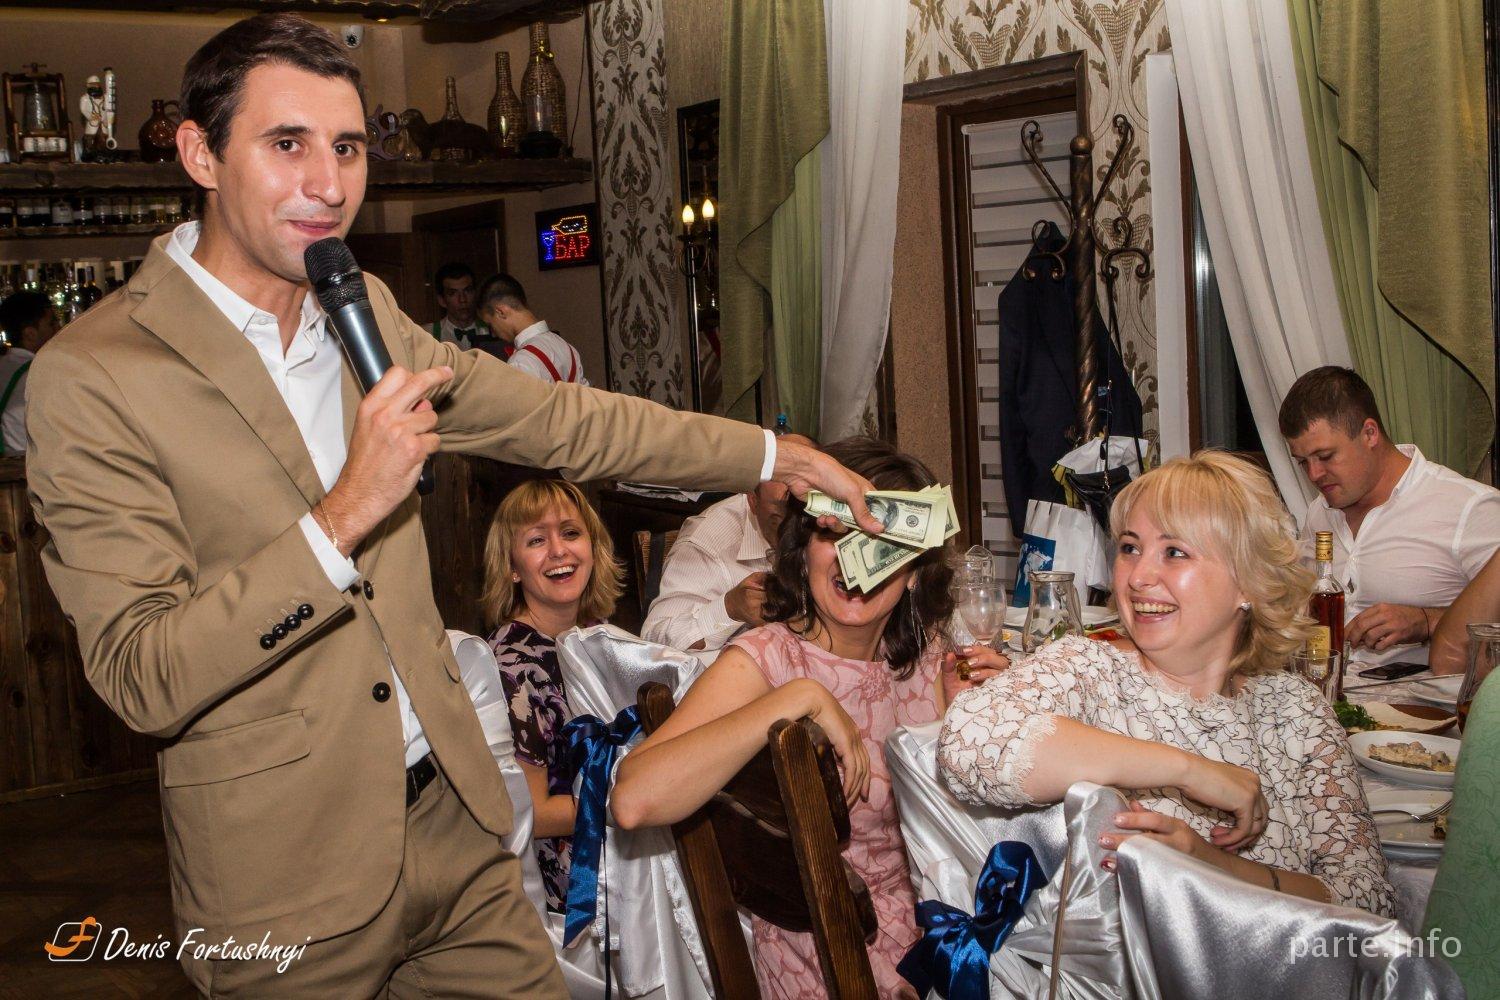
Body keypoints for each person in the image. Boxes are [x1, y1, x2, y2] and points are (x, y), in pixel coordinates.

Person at [23, 14, 881, 995]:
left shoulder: (363, 314)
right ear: (199, 153)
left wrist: (774, 452)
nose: (329, 183)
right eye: (287, 143)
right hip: (286, 875)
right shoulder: (95, 374)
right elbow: (143, 673)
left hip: (459, 831)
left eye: (348, 147)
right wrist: (346, 512)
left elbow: (562, 421)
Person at [938, 451, 1397, 917]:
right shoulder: (1089, 669)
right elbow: (968, 744)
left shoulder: (1298, 710)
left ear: (1249, 582)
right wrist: (1190, 770)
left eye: (1174, 552)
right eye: (1129, 548)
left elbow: (1370, 902)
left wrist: (1213, 867)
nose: (1138, 577)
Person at [613, 437, 957, 1000]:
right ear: (804, 550)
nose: (854, 559)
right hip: (827, 961)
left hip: (939, 933)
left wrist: (987, 713)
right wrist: (795, 697)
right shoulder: (768, 660)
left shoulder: (929, 657)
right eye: (833, 534)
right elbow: (633, 800)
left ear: (915, 570)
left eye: (884, 542)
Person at [1281, 366, 1500, 666]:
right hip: (1330, 690)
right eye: (1302, 462)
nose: (1314, 474)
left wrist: (1426, 621)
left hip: (1429, 693)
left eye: (1326, 456)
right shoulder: (1318, 513)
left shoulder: (1469, 507)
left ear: (1369, 434)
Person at [481, 479, 621, 914]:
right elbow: (533, 815)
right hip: (570, 885)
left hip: (620, 847)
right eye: (537, 540)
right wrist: (634, 799)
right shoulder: (512, 668)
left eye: (571, 533)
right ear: (512, 567)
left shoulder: (599, 636)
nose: (559, 551)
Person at [642, 432, 818, 652]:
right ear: (753, 499)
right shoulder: (709, 540)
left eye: (806, 514)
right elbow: (655, 643)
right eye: (781, 517)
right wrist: (730, 608)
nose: (796, 529)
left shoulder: (832, 522)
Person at [477, 272, 588, 385]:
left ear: (500, 312)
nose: (493, 334)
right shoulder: (567, 348)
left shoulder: (521, 363)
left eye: (490, 325)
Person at [0, 290, 60, 455]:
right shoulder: (40, 373)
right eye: (52, 324)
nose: (59, 328)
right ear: (30, 334)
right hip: (23, 464)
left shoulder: (4, 365)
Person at [430, 261, 482, 348]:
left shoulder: (494, 330)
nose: (462, 299)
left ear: (475, 293)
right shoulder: (427, 334)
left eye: (467, 291)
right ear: (442, 300)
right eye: (453, 293)